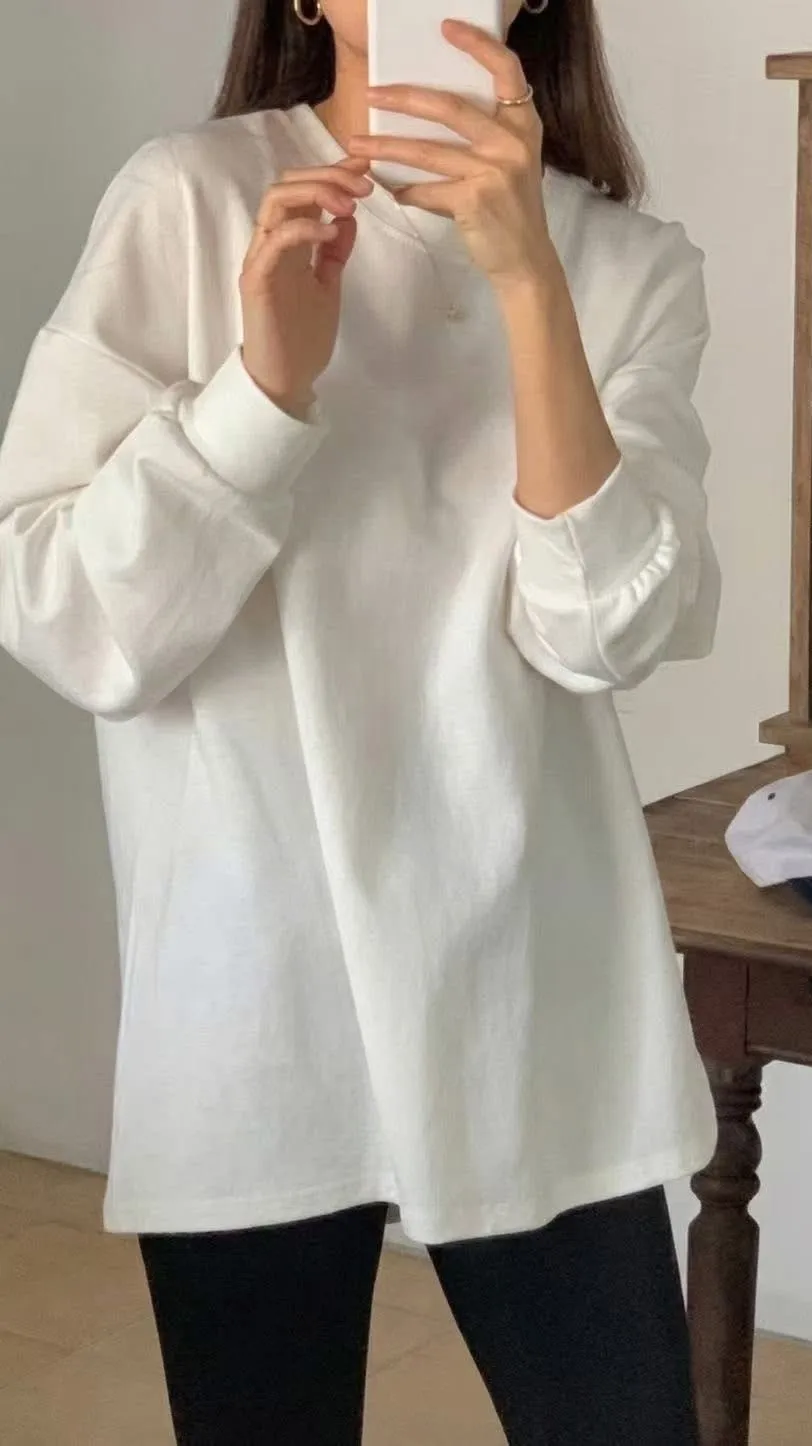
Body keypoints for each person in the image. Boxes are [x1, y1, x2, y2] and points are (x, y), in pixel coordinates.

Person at [0, 0, 721, 1441]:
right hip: (253, 989)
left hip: (535, 981)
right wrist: (262, 389)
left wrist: (529, 283)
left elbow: (603, 633)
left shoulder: (629, 266)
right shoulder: (188, 201)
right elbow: (67, 613)